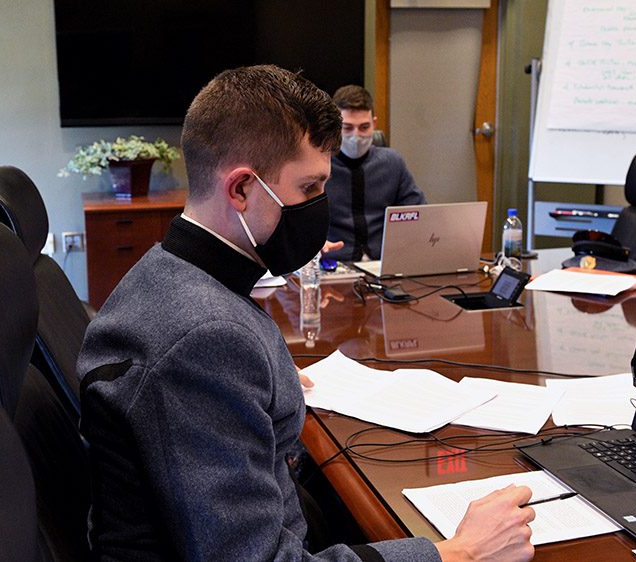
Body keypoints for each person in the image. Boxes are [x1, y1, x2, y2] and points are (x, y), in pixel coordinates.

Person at [78, 64, 535, 561]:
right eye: (310, 189)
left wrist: (262, 381)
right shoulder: (205, 338)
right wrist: (458, 555)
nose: (320, 205)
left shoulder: (173, 272)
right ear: (241, 190)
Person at [323, 85, 426, 262]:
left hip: (384, 262)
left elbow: (418, 213)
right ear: (335, 127)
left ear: (374, 124)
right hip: (334, 262)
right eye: (347, 128)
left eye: (364, 127)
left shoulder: (393, 163)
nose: (356, 136)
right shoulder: (319, 166)